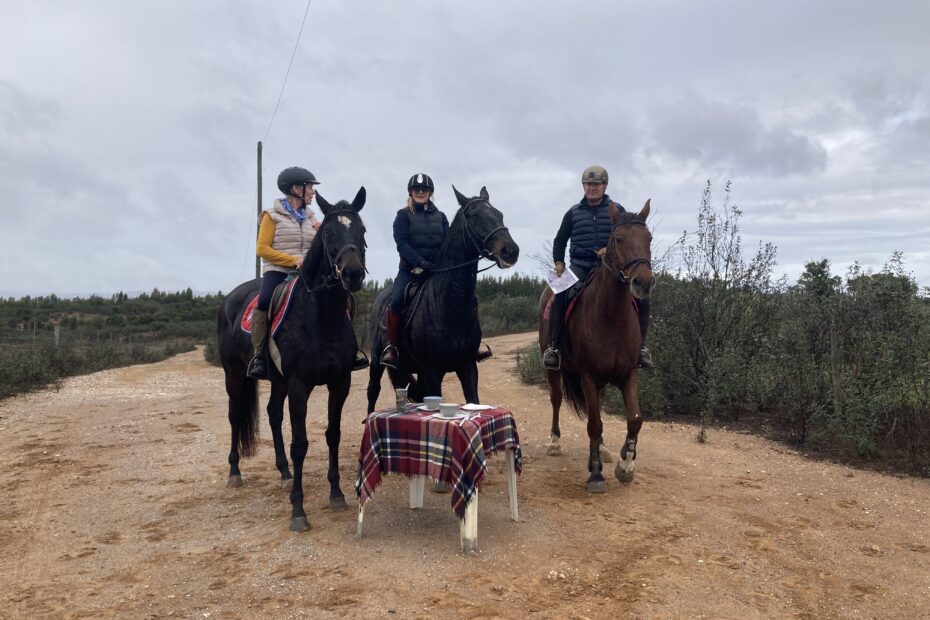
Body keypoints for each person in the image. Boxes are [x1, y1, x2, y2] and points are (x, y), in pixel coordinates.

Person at [542, 165, 654, 371]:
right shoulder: (573, 213)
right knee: (559, 293)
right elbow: (559, 240)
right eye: (588, 184)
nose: (592, 188)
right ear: (583, 186)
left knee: (643, 299)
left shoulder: (616, 209)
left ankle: (641, 349)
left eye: (596, 184)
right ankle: (554, 348)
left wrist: (609, 251)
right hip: (580, 266)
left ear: (604, 186)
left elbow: (627, 236)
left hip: (610, 268)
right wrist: (559, 262)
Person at [247, 167, 322, 380]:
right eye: (310, 188)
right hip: (278, 271)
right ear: (296, 189)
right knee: (265, 300)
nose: (312, 193)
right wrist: (292, 260)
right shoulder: (271, 216)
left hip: (307, 275)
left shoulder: (311, 217)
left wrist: (321, 234)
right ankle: (259, 355)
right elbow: (262, 248)